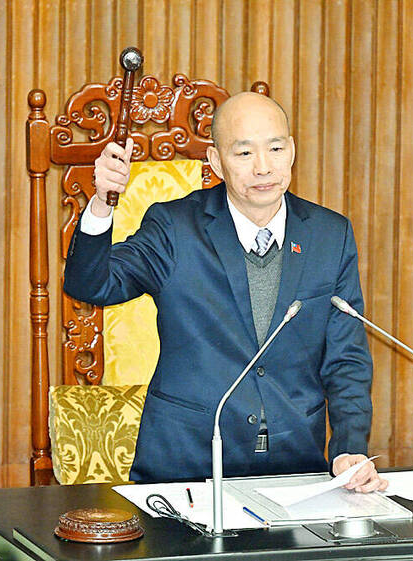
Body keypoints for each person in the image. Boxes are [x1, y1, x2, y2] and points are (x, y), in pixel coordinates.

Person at [64, 92, 387, 492]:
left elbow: (347, 360)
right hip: (185, 467)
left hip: (294, 471)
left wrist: (348, 448)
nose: (264, 167)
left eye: (275, 148)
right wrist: (100, 204)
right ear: (216, 162)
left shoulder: (329, 234)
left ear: (292, 151)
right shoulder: (174, 227)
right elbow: (91, 285)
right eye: (244, 153)